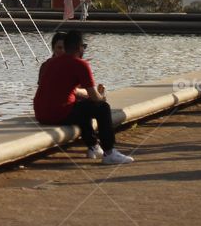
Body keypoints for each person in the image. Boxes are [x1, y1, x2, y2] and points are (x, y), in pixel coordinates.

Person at [34, 31, 135, 165]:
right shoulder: (80, 64)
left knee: (83, 107)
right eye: (84, 46)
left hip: (40, 114)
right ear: (79, 47)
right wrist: (102, 97)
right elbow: (95, 97)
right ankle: (109, 152)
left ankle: (93, 147)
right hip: (58, 113)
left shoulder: (50, 63)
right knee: (103, 108)